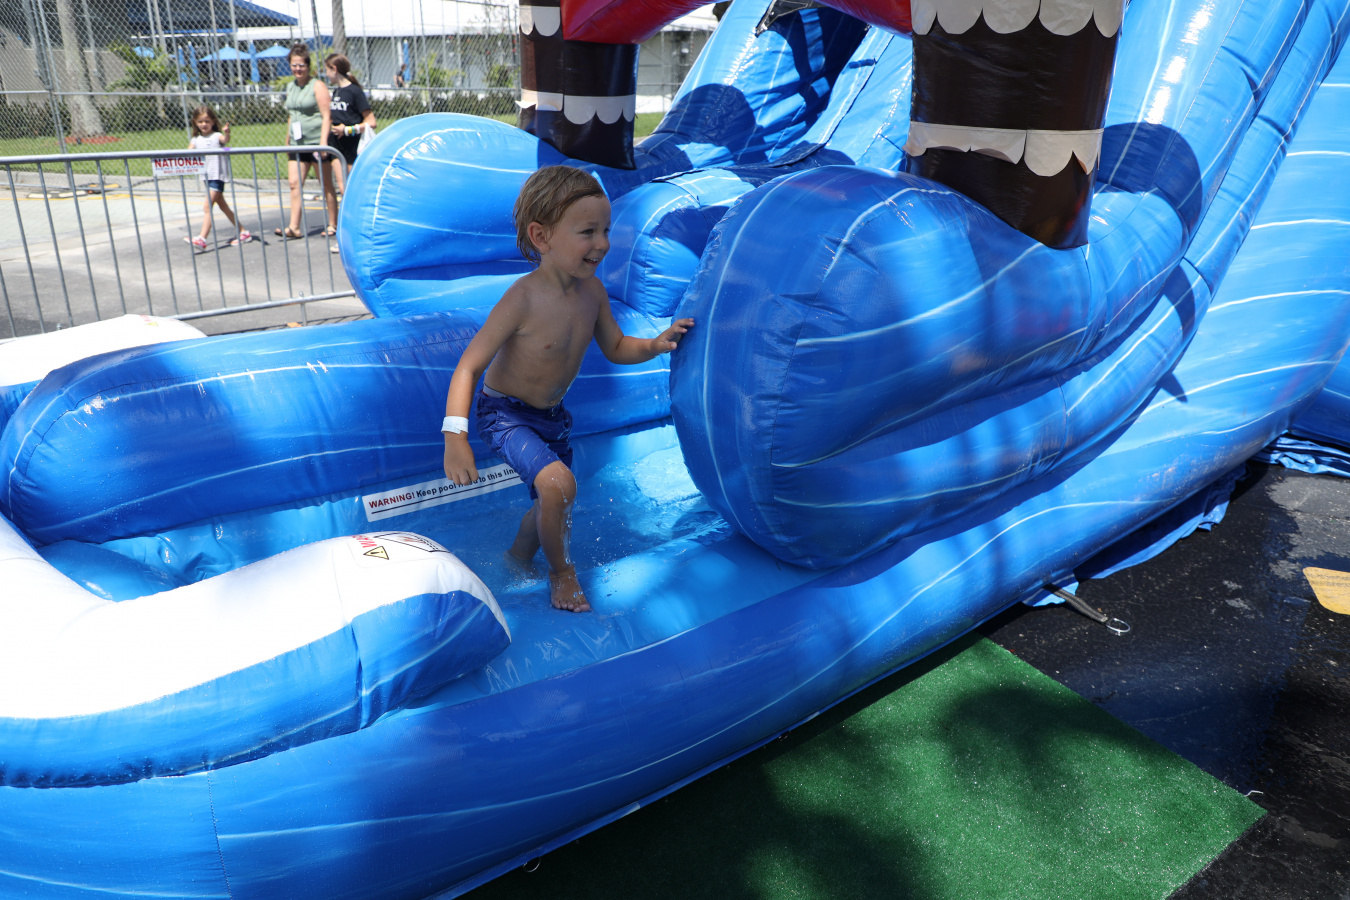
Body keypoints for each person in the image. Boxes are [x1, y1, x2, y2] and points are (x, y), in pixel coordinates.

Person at [442, 166, 694, 613]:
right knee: (559, 485)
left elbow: (616, 346)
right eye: (588, 232)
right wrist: (455, 437)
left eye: (606, 230)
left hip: (551, 419)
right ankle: (562, 574)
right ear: (541, 237)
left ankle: (517, 559)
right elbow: (469, 366)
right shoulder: (522, 298)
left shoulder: (592, 292)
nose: (602, 243)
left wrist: (655, 344)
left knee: (553, 501)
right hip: (505, 414)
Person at [276, 43, 337, 240]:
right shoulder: (290, 87)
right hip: (298, 143)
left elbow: (326, 116)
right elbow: (292, 115)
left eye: (301, 65)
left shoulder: (317, 86)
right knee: (294, 184)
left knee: (325, 184)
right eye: (294, 65)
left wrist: (323, 143)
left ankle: (333, 223)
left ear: (308, 66)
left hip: (316, 142)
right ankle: (294, 227)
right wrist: (287, 140)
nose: (298, 69)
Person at [324, 53, 376, 252]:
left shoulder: (354, 91)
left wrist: (347, 130)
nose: (326, 74)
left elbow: (371, 122)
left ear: (334, 69)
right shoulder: (336, 92)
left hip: (352, 148)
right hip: (337, 148)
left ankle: (360, 234)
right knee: (343, 190)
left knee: (353, 192)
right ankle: (345, 238)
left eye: (327, 69)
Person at [185, 106, 251, 248]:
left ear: (213, 122)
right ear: (195, 122)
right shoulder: (196, 140)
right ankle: (243, 232)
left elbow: (225, 140)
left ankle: (202, 238)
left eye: (207, 121)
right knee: (223, 206)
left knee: (207, 206)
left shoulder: (216, 136)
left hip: (217, 177)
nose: (204, 124)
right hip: (206, 177)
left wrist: (227, 133)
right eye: (200, 122)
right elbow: (187, 153)